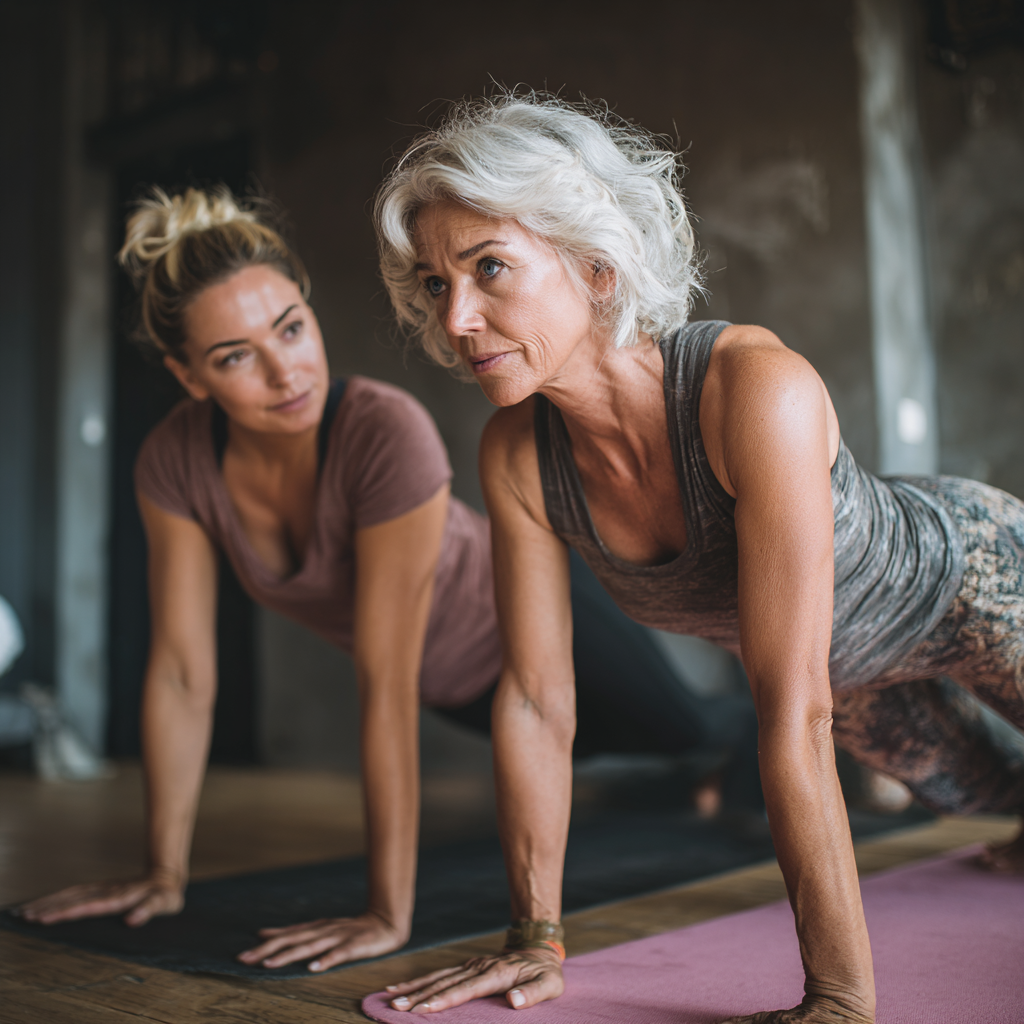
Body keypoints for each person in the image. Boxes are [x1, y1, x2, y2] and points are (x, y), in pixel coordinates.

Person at [372, 94, 1024, 1023]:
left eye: (490, 268)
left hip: (973, 583)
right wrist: (534, 939)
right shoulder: (517, 456)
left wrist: (838, 1001)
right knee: (996, 797)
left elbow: (791, 711)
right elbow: (534, 702)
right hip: (864, 680)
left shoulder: (753, 390)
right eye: (437, 284)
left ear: (595, 266)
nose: (458, 319)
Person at [16, 186, 758, 974]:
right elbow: (180, 673)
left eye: (290, 330)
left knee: (686, 728)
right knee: (619, 760)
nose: (285, 371)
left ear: (308, 310)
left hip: (533, 634)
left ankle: (781, 729)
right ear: (189, 376)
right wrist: (164, 873)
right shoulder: (175, 462)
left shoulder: (381, 430)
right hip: (460, 690)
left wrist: (386, 912)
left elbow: (383, 683)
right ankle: (702, 780)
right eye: (235, 357)